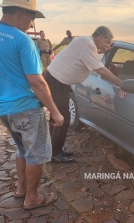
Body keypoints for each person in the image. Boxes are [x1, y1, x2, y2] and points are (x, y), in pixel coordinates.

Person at [0, 0, 64, 210]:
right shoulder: (22, 40)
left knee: (22, 150)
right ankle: (32, 198)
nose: (31, 24)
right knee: (35, 154)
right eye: (32, 18)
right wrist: (55, 112)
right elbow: (37, 81)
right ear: (21, 13)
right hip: (26, 108)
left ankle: (21, 189)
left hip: (3, 108)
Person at [45, 26, 124, 163]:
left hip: (58, 80)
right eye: (107, 42)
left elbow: (88, 55)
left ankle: (52, 150)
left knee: (56, 117)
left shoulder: (84, 41)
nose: (108, 45)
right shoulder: (87, 45)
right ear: (100, 37)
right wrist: (121, 84)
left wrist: (100, 49)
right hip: (56, 81)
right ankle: (55, 153)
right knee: (61, 118)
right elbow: (101, 70)